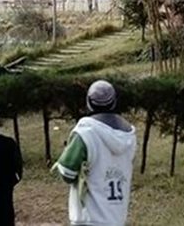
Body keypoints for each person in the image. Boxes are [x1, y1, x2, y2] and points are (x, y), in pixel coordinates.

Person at [53, 80, 137, 226]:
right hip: (116, 218)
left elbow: (66, 173)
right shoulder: (129, 135)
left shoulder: (86, 133)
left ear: (88, 103)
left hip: (90, 218)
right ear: (114, 102)